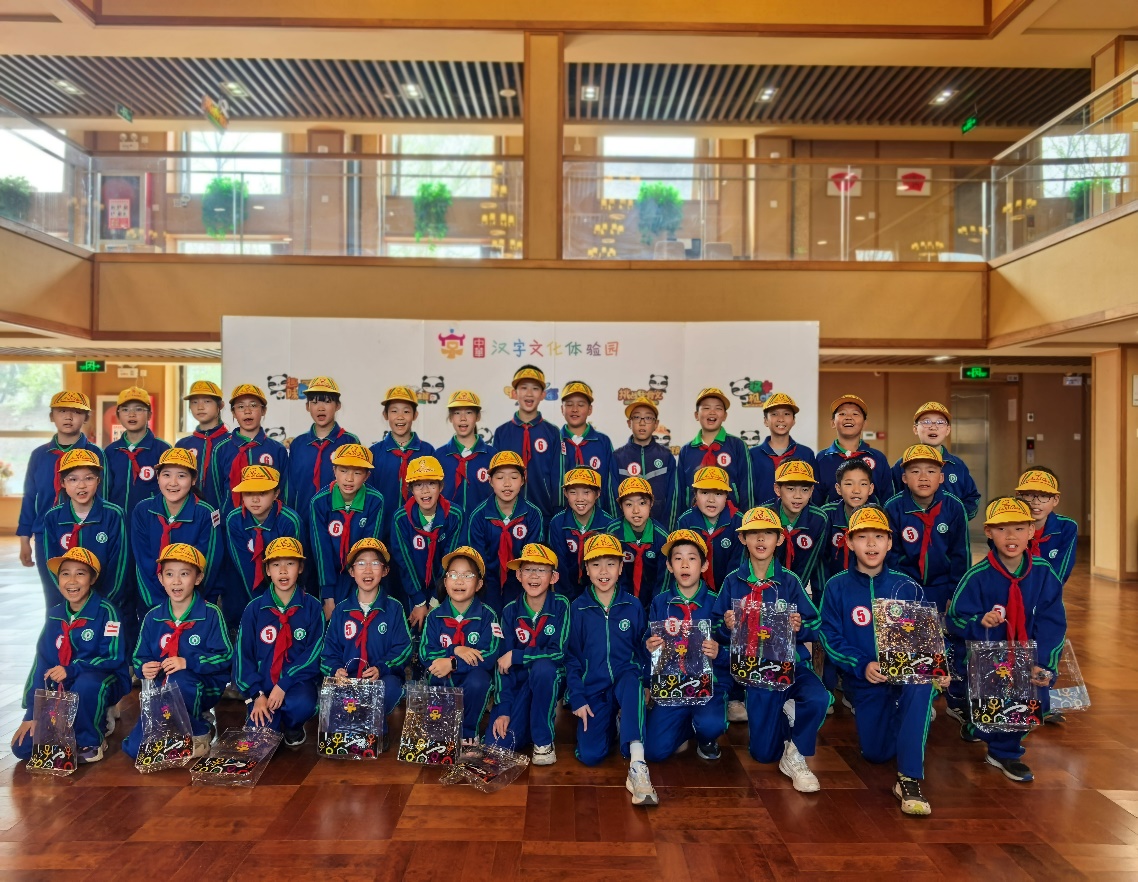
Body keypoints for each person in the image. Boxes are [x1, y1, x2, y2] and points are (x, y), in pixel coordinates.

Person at [819, 505, 936, 816]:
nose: (871, 544)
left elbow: (927, 638)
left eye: (879, 537)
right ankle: (910, 722)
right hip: (866, 681)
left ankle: (909, 779)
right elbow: (829, 636)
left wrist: (939, 666)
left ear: (890, 542)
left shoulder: (906, 585)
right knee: (875, 754)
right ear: (849, 542)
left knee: (922, 684)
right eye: (862, 537)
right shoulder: (836, 586)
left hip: (905, 677)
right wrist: (861, 665)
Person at [947, 497, 1066, 783]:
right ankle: (1004, 752)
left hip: (1029, 658)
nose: (1011, 536)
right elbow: (954, 620)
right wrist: (979, 621)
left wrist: (1044, 663)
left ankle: (985, 729)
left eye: (1019, 528)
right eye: (1001, 529)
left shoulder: (1044, 574)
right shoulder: (976, 576)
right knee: (1000, 709)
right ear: (988, 532)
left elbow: (1053, 623)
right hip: (987, 662)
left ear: (1031, 531)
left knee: (1038, 704)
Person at [717, 508, 828, 790]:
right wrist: (727, 626)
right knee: (763, 754)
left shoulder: (790, 581)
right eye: (753, 533)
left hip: (791, 666)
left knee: (819, 698)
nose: (761, 539)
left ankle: (796, 752)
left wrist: (800, 627)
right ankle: (784, 714)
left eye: (768, 533)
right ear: (742, 538)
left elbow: (816, 624)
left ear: (779, 539)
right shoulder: (732, 582)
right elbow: (716, 628)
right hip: (755, 673)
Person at [11, 547, 130, 764]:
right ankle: (77, 723)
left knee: (87, 684)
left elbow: (112, 658)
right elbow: (42, 662)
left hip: (103, 680)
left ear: (92, 579)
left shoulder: (107, 612)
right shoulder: (55, 614)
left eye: (80, 573)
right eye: (65, 574)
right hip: (65, 686)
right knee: (23, 747)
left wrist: (72, 669)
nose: (72, 581)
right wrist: (32, 712)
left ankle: (92, 739)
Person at [566, 533, 657, 806]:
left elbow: (642, 649)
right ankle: (614, 723)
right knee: (590, 756)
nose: (603, 571)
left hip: (624, 679)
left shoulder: (633, 605)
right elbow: (571, 658)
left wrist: (647, 682)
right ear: (586, 569)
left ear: (620, 568)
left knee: (631, 681)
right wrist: (577, 697)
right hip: (593, 687)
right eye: (596, 565)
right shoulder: (577, 608)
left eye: (610, 564)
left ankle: (638, 766)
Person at [122, 543, 233, 760]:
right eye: (169, 574)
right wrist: (144, 667)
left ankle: (199, 729)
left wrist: (188, 662)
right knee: (136, 749)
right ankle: (181, 726)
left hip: (203, 686)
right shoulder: (153, 617)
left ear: (198, 578)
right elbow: (139, 656)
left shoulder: (211, 613)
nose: (176, 581)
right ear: (161, 579)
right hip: (162, 690)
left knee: (179, 679)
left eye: (184, 574)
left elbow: (226, 656)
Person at [644, 529, 729, 763]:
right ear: (669, 566)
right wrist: (649, 647)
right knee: (654, 752)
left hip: (709, 686)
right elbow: (648, 643)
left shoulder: (716, 602)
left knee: (711, 724)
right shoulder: (660, 602)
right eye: (677, 558)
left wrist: (719, 652)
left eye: (692, 558)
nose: (684, 564)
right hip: (672, 686)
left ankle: (706, 736)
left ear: (704, 565)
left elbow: (732, 647)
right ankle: (685, 728)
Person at [320, 538, 413, 750]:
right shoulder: (341, 610)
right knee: (334, 702)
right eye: (361, 563)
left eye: (375, 563)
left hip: (380, 679)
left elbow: (404, 648)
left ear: (385, 571)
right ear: (352, 572)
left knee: (390, 688)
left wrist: (382, 667)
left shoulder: (394, 608)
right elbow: (328, 652)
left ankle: (374, 728)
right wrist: (336, 670)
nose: (368, 570)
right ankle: (357, 727)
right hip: (348, 681)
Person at [232, 537, 324, 747]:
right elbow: (243, 656)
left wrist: (284, 684)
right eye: (275, 565)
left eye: (290, 563)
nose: (283, 571)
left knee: (301, 704)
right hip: (262, 688)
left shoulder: (312, 607)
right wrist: (256, 694)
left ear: (300, 568)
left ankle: (293, 726)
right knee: (260, 744)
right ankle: (265, 717)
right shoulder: (254, 609)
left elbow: (314, 652)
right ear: (267, 570)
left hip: (296, 684)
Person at [17, 391, 108, 606]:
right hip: (47, 535)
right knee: (55, 595)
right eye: (62, 411)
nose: (68, 417)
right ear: (52, 416)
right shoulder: (39, 455)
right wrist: (24, 540)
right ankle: (57, 629)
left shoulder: (95, 454)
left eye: (76, 412)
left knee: (92, 592)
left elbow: (104, 496)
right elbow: (30, 497)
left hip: (88, 531)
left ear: (85, 418)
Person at [486, 543, 570, 765]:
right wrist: (504, 709)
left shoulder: (561, 605)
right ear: (519, 575)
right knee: (498, 745)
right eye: (528, 569)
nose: (534, 576)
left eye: (541, 570)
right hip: (519, 683)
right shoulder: (509, 611)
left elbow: (558, 653)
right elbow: (502, 664)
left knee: (543, 668)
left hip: (549, 678)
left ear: (553, 577)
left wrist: (518, 656)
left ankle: (543, 741)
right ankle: (527, 723)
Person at [131, 448, 221, 627]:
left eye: (181, 476)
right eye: (166, 475)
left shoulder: (206, 513)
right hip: (153, 604)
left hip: (194, 606)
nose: (173, 483)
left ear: (193, 480)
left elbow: (209, 565)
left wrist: (189, 605)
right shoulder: (142, 511)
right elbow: (143, 562)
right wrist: (160, 606)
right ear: (157, 477)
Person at [421, 546, 501, 744]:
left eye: (467, 575)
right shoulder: (434, 616)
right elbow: (425, 653)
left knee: (479, 681)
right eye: (453, 574)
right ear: (445, 581)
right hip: (442, 676)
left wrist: (454, 663)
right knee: (437, 675)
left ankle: (468, 732)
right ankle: (442, 729)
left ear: (479, 584)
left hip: (472, 676)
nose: (459, 581)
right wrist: (454, 650)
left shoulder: (488, 615)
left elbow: (489, 655)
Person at [884, 445, 970, 613]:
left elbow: (961, 554)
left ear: (941, 477)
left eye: (931, 471)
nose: (923, 477)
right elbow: (890, 555)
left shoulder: (954, 507)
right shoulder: (893, 508)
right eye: (915, 472)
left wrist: (955, 593)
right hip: (904, 586)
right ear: (904, 478)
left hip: (943, 587)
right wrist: (896, 589)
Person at [40, 449, 128, 613]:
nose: (81, 486)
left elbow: (119, 566)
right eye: (73, 479)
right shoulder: (53, 517)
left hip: (107, 604)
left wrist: (102, 604)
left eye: (89, 478)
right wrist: (70, 600)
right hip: (70, 603)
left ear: (98, 480)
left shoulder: (114, 514)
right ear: (63, 483)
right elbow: (51, 563)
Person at [309, 444, 386, 617]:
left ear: (367, 476)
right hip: (330, 576)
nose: (349, 478)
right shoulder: (319, 502)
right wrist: (328, 596)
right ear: (334, 471)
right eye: (343, 471)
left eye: (357, 473)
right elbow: (322, 551)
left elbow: (369, 548)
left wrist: (362, 587)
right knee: (331, 620)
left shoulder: (375, 501)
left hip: (361, 575)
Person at [464, 451, 545, 614]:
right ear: (490, 481)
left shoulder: (533, 515)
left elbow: (533, 559)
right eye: (500, 477)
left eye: (514, 477)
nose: (507, 484)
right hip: (488, 583)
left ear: (523, 480)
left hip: (522, 583)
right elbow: (478, 562)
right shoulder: (478, 516)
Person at [225, 465, 304, 624]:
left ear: (276, 493)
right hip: (246, 593)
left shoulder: (290, 521)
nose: (255, 500)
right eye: (248, 493)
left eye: (262, 493)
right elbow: (245, 568)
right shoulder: (234, 520)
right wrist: (262, 606)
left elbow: (294, 567)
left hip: (285, 592)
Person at [391, 455, 464, 623]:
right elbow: (404, 562)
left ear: (441, 486)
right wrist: (419, 601)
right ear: (410, 489)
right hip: (412, 589)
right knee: (414, 627)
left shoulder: (455, 515)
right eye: (418, 485)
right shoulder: (401, 518)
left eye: (431, 483)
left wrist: (435, 598)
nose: (425, 491)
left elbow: (451, 560)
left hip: (445, 588)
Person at [492, 365, 561, 523]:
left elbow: (557, 476)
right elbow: (495, 474)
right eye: (523, 388)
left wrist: (557, 512)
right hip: (508, 514)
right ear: (514, 393)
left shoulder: (552, 432)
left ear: (543, 395)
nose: (529, 393)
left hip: (545, 513)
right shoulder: (502, 432)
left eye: (535, 388)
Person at [285, 376, 360, 518]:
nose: (320, 408)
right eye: (314, 402)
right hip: (303, 519)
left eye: (327, 402)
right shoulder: (298, 444)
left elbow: (358, 486)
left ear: (337, 405)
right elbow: (291, 488)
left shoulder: (350, 442)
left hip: (338, 520)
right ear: (307, 407)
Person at [890, 402, 980, 520]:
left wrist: (957, 519)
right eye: (926, 422)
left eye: (940, 422)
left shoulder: (958, 465)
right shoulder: (902, 464)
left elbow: (972, 498)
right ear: (915, 429)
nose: (933, 427)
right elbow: (891, 498)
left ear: (948, 430)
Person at [212, 384, 289, 512]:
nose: (247, 411)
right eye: (241, 406)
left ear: (263, 410)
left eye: (253, 405)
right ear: (233, 413)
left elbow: (283, 491)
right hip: (230, 519)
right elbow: (216, 492)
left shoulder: (277, 449)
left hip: (268, 520)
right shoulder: (221, 449)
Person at [678, 388, 753, 513]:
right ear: (696, 415)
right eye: (706, 408)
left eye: (718, 408)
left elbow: (747, 488)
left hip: (731, 517)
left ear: (725, 416)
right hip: (694, 518)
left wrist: (746, 519)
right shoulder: (687, 450)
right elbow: (680, 492)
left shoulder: (737, 445)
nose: (712, 412)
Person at [545, 467, 615, 600]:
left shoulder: (608, 525)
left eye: (586, 492)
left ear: (597, 493)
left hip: (600, 591)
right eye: (573, 492)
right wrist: (566, 599)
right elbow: (559, 565)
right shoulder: (557, 523)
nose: (580, 499)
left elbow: (610, 567)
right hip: (566, 590)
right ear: (565, 493)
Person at [672, 466, 743, 592]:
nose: (711, 500)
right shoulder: (685, 521)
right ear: (695, 494)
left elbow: (738, 565)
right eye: (704, 492)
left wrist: (726, 595)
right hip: (695, 592)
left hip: (731, 591)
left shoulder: (739, 522)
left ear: (726, 496)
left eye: (718, 493)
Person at [814, 394, 893, 507]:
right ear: (833, 423)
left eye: (855, 414)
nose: (848, 417)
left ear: (864, 423)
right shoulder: (822, 459)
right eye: (842, 414)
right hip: (831, 518)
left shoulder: (878, 458)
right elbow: (815, 501)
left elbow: (887, 499)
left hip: (870, 517)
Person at [104, 385, 171, 518]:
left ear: (149, 415)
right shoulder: (111, 451)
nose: (132, 414)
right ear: (118, 415)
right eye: (125, 409)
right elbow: (106, 490)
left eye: (139, 409)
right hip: (118, 520)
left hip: (152, 519)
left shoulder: (163, 449)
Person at [613, 396, 679, 528]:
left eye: (648, 418)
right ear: (629, 423)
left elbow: (673, 498)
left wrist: (668, 530)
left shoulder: (666, 456)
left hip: (659, 528)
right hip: (626, 529)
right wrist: (618, 529)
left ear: (656, 424)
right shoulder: (618, 457)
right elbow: (613, 497)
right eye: (637, 417)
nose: (642, 423)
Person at [367, 385, 434, 511]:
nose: (400, 416)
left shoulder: (427, 451)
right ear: (385, 415)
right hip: (382, 521)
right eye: (394, 411)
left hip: (417, 522)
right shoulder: (374, 452)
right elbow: (368, 493)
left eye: (406, 411)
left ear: (415, 415)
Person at [557, 381, 619, 514]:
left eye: (581, 404)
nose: (575, 409)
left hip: (598, 517)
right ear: (562, 409)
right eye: (569, 404)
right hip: (562, 517)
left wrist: (613, 517)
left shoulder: (603, 442)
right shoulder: (555, 441)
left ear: (590, 409)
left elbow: (611, 483)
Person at [769, 460, 828, 597]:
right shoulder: (765, 515)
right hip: (765, 588)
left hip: (797, 589)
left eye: (805, 490)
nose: (798, 496)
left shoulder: (819, 519)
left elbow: (810, 563)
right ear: (777, 489)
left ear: (812, 491)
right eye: (791, 489)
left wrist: (794, 592)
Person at [750, 392, 816, 507]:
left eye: (786, 414)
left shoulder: (806, 453)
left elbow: (813, 492)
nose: (781, 419)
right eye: (774, 414)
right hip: (761, 515)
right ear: (765, 420)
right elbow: (747, 492)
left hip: (797, 516)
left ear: (793, 420)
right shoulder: (752, 454)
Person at [437, 390, 496, 517]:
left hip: (483, 526)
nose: (463, 418)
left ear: (477, 416)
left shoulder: (492, 456)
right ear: (451, 418)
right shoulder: (439, 456)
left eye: (469, 412)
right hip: (448, 526)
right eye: (457, 413)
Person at [612, 476, 668, 609]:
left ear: (651, 503)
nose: (636, 510)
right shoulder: (613, 533)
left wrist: (655, 607)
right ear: (621, 506)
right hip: (619, 602)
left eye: (642, 503)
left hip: (652, 601)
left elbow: (663, 581)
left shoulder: (662, 537)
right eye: (629, 504)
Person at [818, 458, 876, 586]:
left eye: (863, 484)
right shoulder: (826, 515)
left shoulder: (878, 517)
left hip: (867, 585)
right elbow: (820, 560)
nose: (856, 490)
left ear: (871, 488)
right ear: (838, 488)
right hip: (832, 585)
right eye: (849, 484)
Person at [1015, 468, 1078, 585]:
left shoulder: (1067, 527)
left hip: (1048, 591)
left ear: (1055, 500)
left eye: (1044, 496)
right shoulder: (1005, 526)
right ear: (1018, 497)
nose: (1036, 502)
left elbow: (1060, 573)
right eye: (1028, 494)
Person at [175, 380, 229, 511]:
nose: (200, 407)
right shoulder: (182, 445)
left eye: (207, 401)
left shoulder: (232, 442)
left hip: (226, 515)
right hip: (189, 514)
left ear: (220, 405)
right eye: (194, 402)